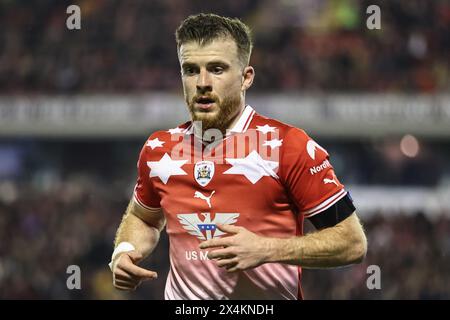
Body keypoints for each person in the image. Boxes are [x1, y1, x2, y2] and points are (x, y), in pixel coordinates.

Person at [109, 13, 367, 300]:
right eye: (191, 70)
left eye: (217, 69)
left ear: (246, 78)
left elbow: (351, 242)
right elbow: (143, 217)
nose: (202, 82)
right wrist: (125, 251)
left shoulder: (288, 146)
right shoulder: (159, 148)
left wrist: (267, 249)